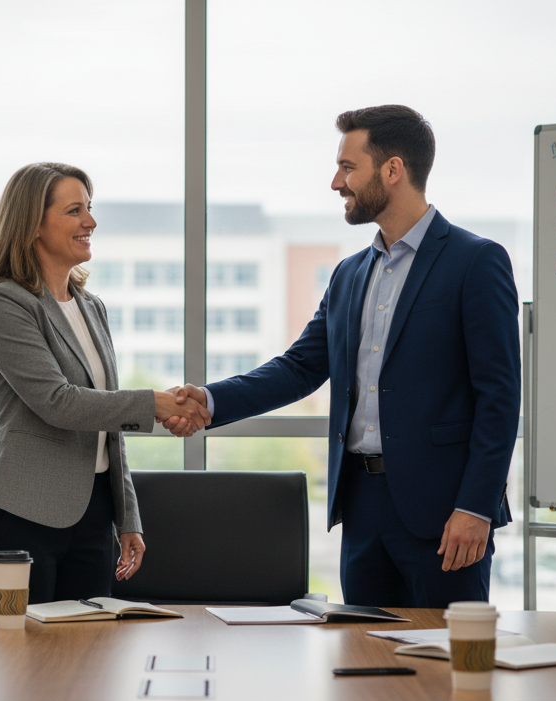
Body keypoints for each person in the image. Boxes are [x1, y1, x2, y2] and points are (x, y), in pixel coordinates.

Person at [165, 105, 520, 609]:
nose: (337, 182)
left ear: (392, 170)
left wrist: (475, 508)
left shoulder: (476, 261)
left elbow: (500, 399)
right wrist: (209, 400)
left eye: (348, 167)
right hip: (361, 508)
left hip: (445, 515)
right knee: (365, 668)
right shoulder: (350, 274)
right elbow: (299, 368)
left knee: (445, 673)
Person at [0, 162, 210, 605]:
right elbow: (59, 403)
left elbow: (106, 424)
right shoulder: (6, 303)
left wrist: (127, 517)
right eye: (74, 210)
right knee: (19, 657)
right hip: (21, 514)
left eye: (90, 208)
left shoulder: (90, 307)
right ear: (33, 224)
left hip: (92, 516)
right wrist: (155, 403)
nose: (91, 222)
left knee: (86, 656)